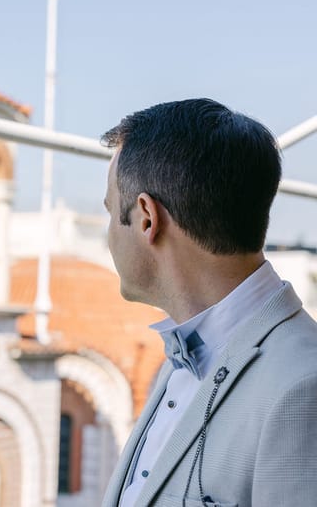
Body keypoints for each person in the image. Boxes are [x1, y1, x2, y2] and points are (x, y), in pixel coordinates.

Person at [99, 98, 317, 507]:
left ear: (147, 217)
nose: (109, 234)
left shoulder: (303, 388)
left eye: (112, 213)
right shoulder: (181, 358)